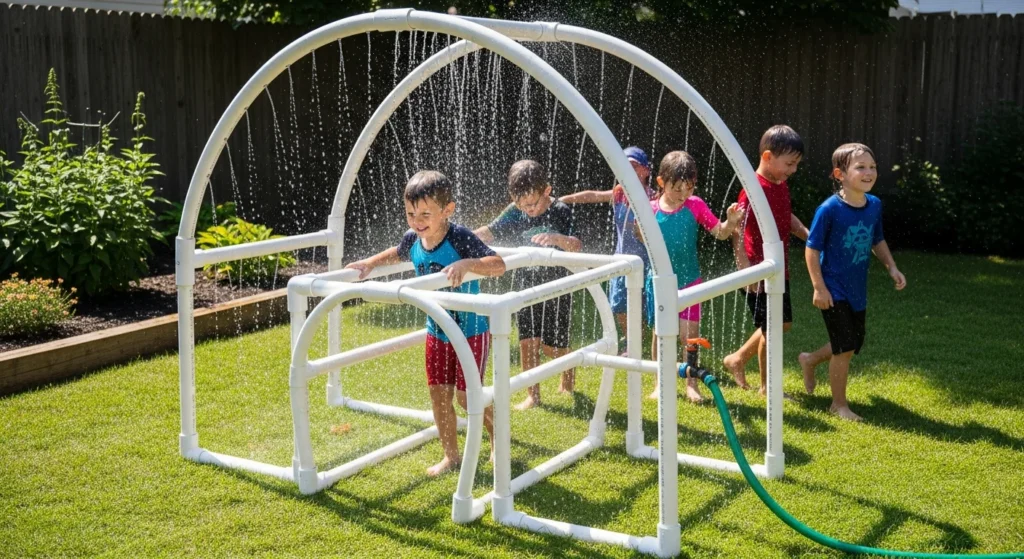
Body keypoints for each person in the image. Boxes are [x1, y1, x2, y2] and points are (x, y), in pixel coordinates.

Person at [345, 170, 506, 476]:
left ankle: (498, 438)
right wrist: (370, 263)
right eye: (410, 213)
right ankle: (451, 456)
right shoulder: (413, 239)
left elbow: (498, 265)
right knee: (439, 396)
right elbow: (398, 252)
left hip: (471, 331)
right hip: (437, 332)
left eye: (425, 214)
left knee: (466, 396)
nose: (417, 221)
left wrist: (466, 263)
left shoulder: (460, 238)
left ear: (448, 210)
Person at [798, 143, 906, 421]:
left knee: (853, 342)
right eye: (860, 167)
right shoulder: (830, 209)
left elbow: (877, 239)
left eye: (872, 167)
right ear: (840, 174)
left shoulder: (874, 205)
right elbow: (812, 249)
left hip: (857, 288)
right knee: (845, 346)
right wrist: (819, 287)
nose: (869, 172)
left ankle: (809, 359)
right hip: (832, 289)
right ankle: (839, 405)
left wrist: (891, 267)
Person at [475, 160, 582, 410]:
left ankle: (568, 371)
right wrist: (461, 237)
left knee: (551, 348)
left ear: (547, 190)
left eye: (533, 203)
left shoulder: (561, 210)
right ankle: (533, 395)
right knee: (527, 342)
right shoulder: (515, 210)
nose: (529, 209)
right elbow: (489, 231)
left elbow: (577, 245)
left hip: (557, 287)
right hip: (524, 284)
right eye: (523, 204)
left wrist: (557, 238)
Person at [644, 151, 744, 402]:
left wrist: (730, 222)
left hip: (689, 280)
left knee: (689, 336)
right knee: (660, 334)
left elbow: (719, 233)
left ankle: (691, 383)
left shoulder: (695, 205)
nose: (682, 195)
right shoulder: (650, 209)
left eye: (687, 189)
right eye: (676, 189)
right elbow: (641, 237)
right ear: (661, 183)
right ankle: (660, 383)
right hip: (659, 281)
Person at [722, 125, 810, 395]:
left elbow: (786, 216)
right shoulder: (753, 190)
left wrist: (807, 235)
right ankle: (767, 387)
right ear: (768, 157)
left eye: (796, 164)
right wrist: (746, 273)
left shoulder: (779, 184)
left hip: (776, 269)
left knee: (780, 324)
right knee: (772, 328)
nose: (793, 170)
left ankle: (737, 359)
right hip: (757, 272)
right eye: (789, 164)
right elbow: (737, 230)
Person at [559, 146, 658, 353]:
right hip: (621, 259)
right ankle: (632, 338)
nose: (627, 170)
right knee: (620, 304)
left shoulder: (654, 198)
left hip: (647, 260)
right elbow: (593, 195)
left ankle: (637, 340)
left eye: (633, 166)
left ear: (646, 171)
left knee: (644, 303)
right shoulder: (619, 193)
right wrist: (564, 200)